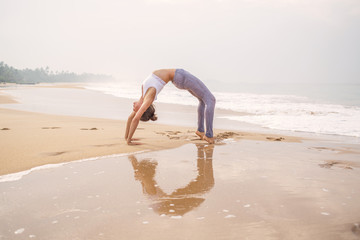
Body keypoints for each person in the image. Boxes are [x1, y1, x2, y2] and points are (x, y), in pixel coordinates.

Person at [125, 69, 216, 145]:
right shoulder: (148, 98)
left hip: (178, 77)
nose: (133, 107)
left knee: (202, 100)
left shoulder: (143, 96)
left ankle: (200, 130)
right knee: (210, 99)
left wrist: (127, 137)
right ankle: (209, 135)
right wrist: (129, 141)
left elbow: (130, 118)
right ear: (143, 109)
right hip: (180, 77)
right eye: (136, 110)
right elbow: (135, 119)